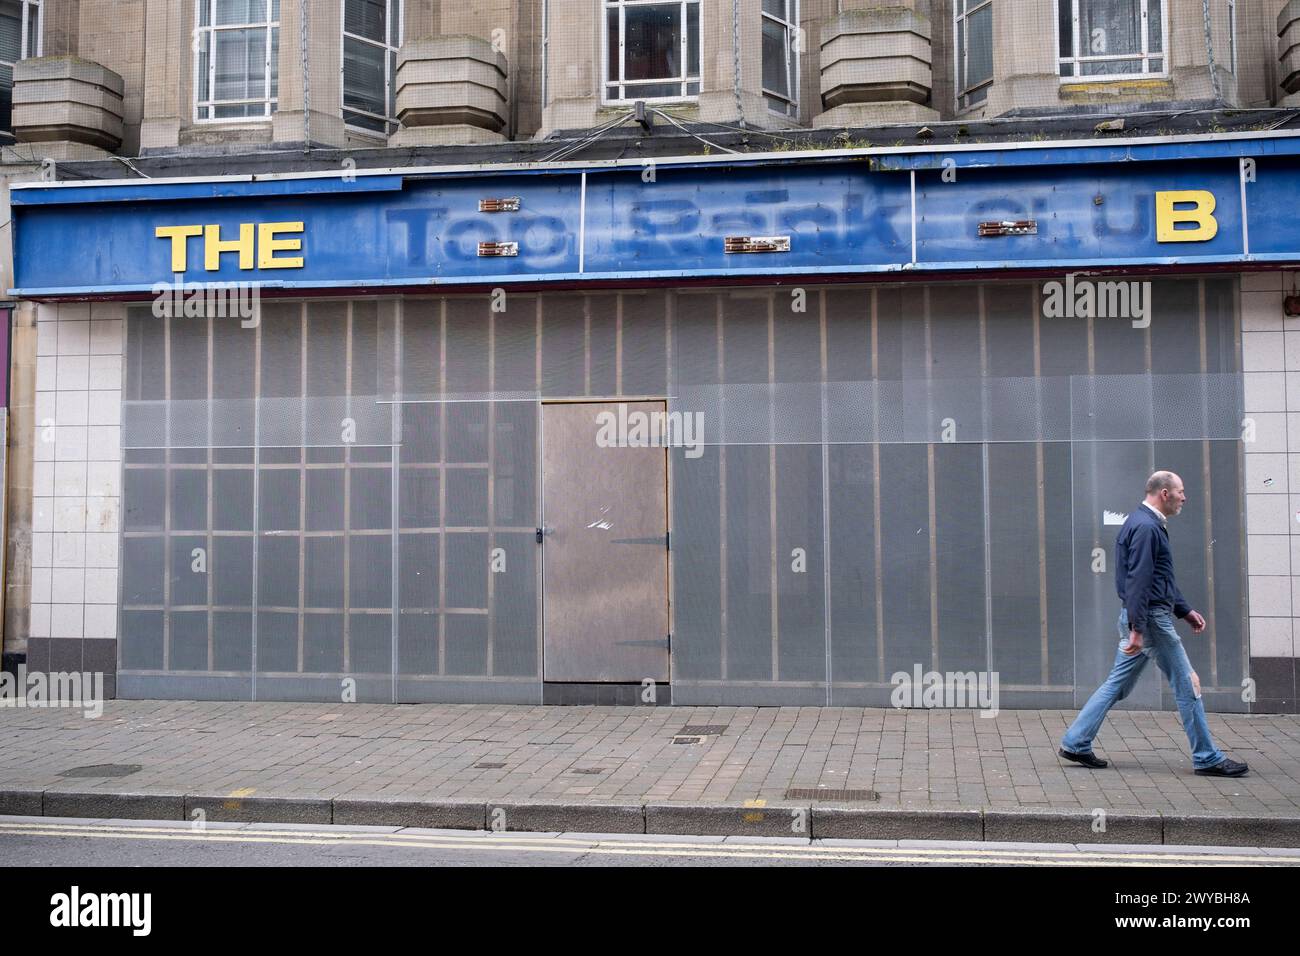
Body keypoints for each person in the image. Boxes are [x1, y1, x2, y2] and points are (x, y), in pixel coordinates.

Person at [1059, 471, 1248, 777]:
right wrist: (1137, 628)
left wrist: (1183, 609)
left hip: (1143, 618)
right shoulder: (1147, 528)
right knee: (1188, 684)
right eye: (1181, 491)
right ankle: (1206, 756)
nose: (1184, 497)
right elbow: (1139, 581)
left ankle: (1075, 741)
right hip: (1151, 623)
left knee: (1116, 685)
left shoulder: (1142, 523)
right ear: (1164, 493)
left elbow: (1157, 578)